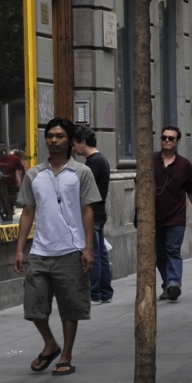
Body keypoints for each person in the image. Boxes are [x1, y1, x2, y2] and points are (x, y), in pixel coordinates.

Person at [14, 118, 100, 376]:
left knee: (70, 306)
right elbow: (27, 212)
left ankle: (66, 355)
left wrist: (88, 248)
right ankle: (50, 343)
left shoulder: (81, 172)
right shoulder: (34, 174)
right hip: (40, 251)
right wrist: (20, 249)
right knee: (33, 305)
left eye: (59, 136)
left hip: (71, 251)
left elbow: (87, 211)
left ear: (70, 140)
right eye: (50, 135)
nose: (53, 140)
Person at [154, 125, 192, 302]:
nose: (167, 141)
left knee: (173, 250)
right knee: (160, 254)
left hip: (176, 217)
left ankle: (174, 282)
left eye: (171, 138)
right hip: (154, 218)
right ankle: (168, 285)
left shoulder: (184, 165)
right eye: (164, 138)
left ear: (178, 142)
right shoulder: (151, 160)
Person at [73, 126, 112, 305]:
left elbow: (85, 191)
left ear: (83, 143)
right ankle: (105, 292)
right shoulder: (101, 159)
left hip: (93, 213)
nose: (74, 148)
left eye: (75, 144)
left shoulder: (93, 163)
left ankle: (95, 293)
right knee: (101, 252)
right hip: (99, 212)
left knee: (93, 252)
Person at [0, 140, 25, 222]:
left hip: (11, 186)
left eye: (4, 146)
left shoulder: (14, 159)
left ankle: (9, 218)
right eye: (0, 147)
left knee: (9, 203)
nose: (2, 148)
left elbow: (23, 170)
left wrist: (22, 182)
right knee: (0, 204)